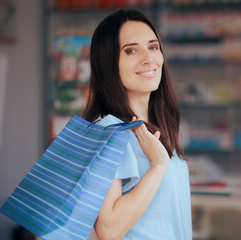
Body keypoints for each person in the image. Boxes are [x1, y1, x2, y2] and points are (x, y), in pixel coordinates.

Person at [82, 9, 192, 240]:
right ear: (108, 64)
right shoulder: (110, 130)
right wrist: (158, 165)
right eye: (131, 50)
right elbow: (108, 230)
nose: (148, 58)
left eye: (153, 47)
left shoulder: (158, 126)